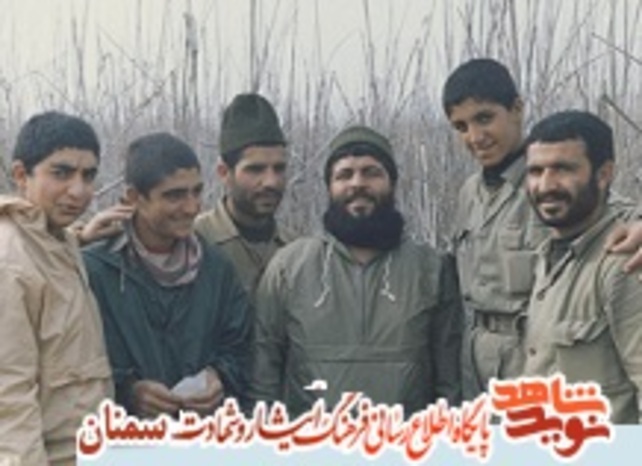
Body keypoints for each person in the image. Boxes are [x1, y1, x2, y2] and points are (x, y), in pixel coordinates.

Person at [251, 125, 462, 417]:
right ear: (329, 187)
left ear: (392, 183)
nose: (357, 183)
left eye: (371, 173)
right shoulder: (289, 268)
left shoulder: (431, 268)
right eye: (344, 175)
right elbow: (263, 378)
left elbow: (450, 383)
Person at [83, 132, 251, 418]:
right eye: (174, 196)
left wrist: (219, 377)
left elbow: (239, 348)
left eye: (197, 192)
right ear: (134, 198)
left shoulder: (216, 268)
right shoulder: (97, 271)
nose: (192, 207)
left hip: (200, 436)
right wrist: (128, 391)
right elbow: (75, 366)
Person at [0, 111, 112, 465]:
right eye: (61, 173)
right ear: (21, 175)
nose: (78, 191)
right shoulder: (10, 264)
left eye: (88, 175)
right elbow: (8, 398)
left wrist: (82, 236)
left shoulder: (56, 238)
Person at [522, 110, 642, 423]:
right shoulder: (547, 258)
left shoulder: (624, 263)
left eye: (563, 169)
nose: (546, 185)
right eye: (535, 171)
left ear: (603, 174)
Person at [443, 58, 548, 400]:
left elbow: (614, 218)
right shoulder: (469, 193)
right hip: (477, 360)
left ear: (516, 109)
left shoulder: (548, 180)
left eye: (485, 118)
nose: (475, 137)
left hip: (536, 358)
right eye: (461, 127)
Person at [195, 93, 293, 300]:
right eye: (255, 170)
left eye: (279, 169)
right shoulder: (194, 243)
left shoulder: (297, 250)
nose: (271, 182)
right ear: (224, 173)